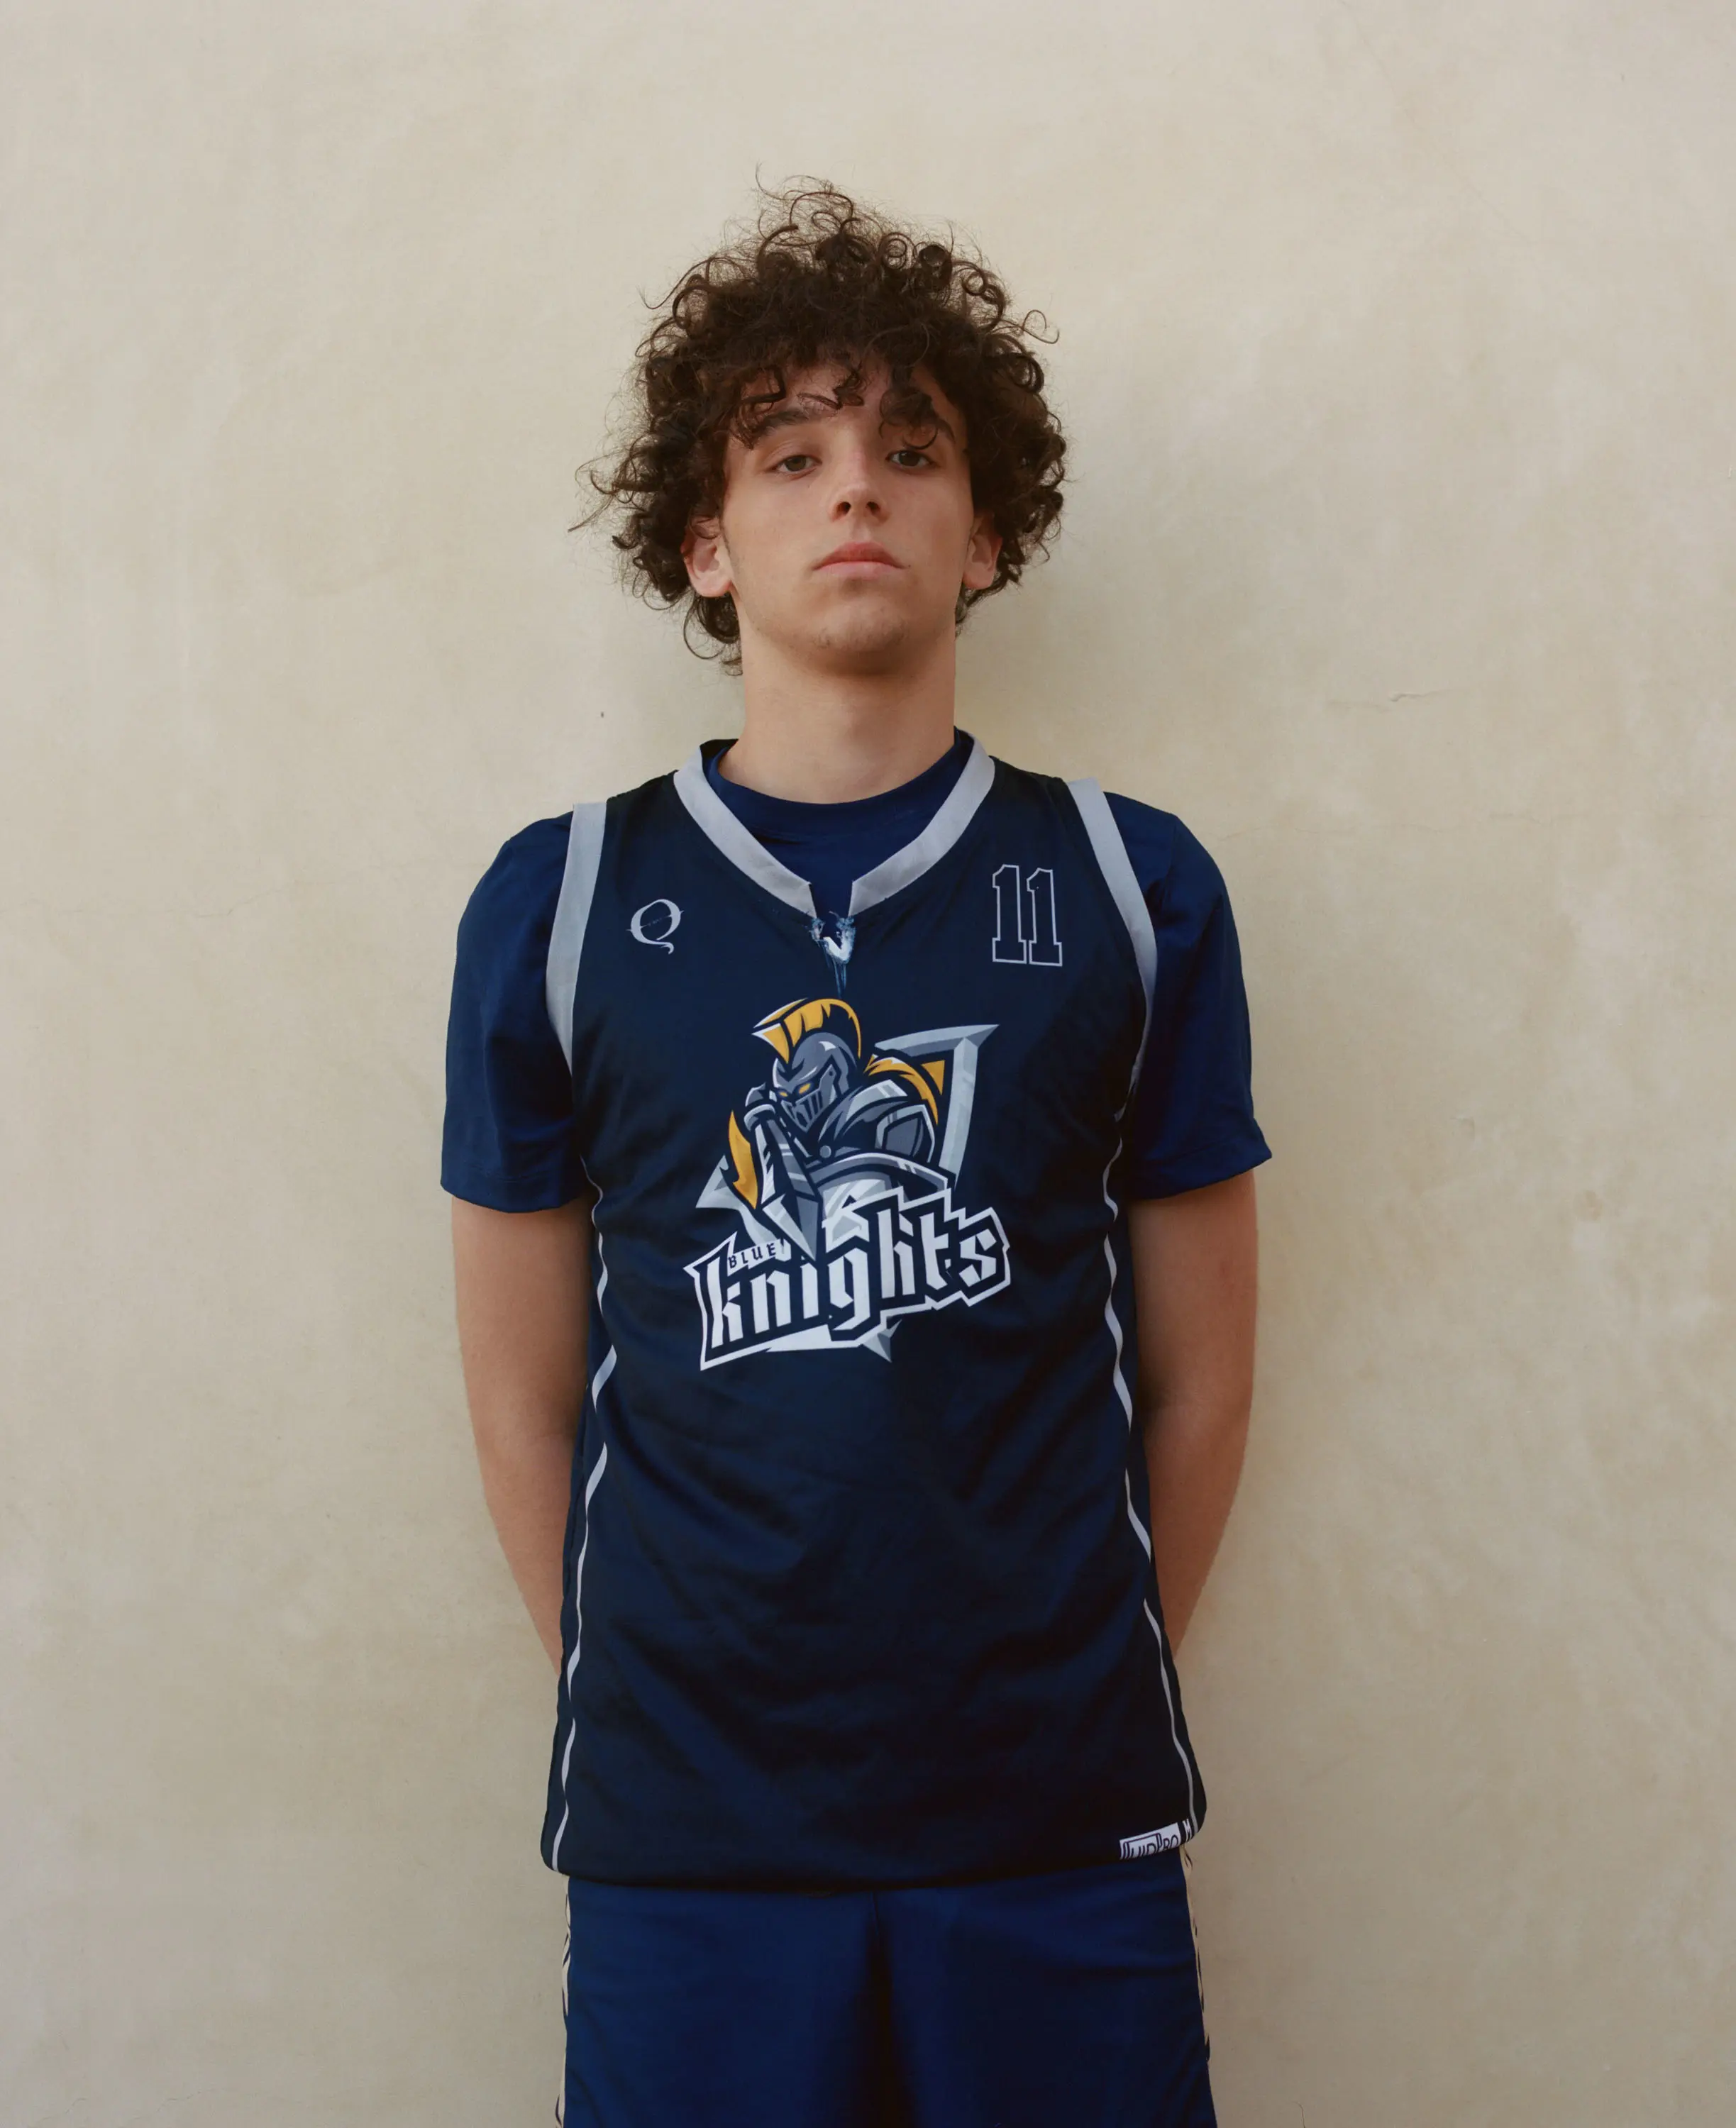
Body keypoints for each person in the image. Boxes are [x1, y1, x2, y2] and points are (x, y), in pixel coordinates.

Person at [441, 184, 1270, 2128]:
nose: (857, 495)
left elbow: (1206, 1378)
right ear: (703, 540)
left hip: (1051, 1818)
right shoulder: (559, 903)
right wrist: (657, 1688)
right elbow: (517, 1399)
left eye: (911, 452)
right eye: (791, 454)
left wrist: (1076, 1668)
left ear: (985, 532)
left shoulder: (1130, 885)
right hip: (692, 1831)